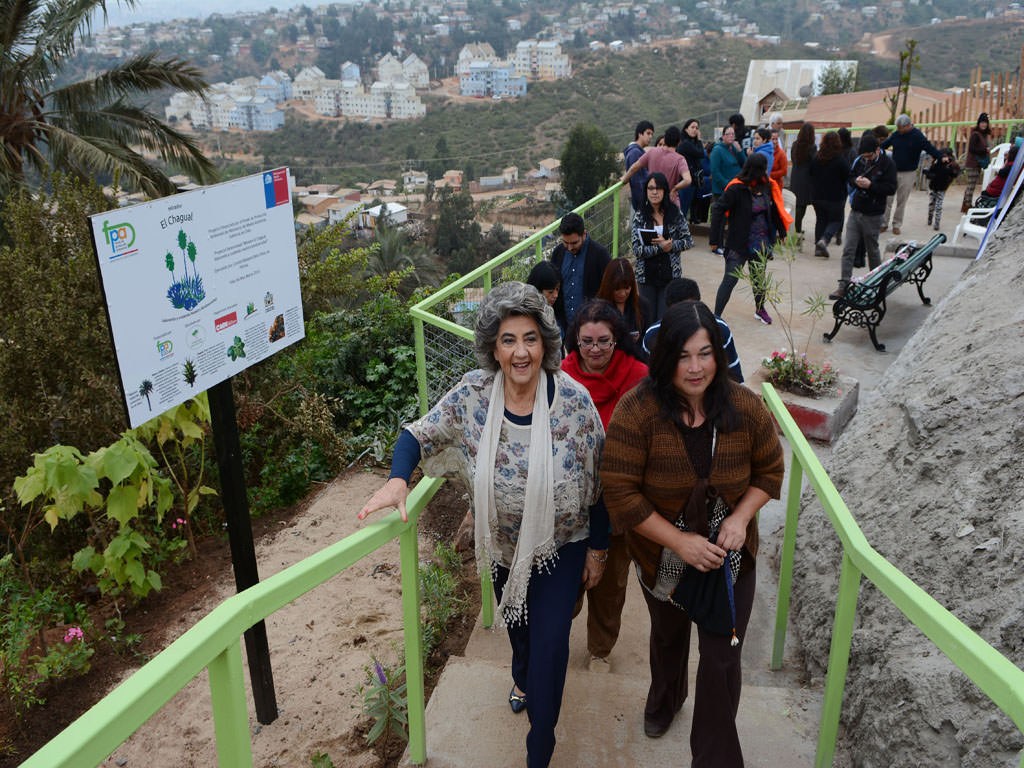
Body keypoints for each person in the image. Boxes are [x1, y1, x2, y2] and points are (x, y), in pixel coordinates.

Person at [359, 281, 605, 768]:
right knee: (520, 631)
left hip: (560, 547)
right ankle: (521, 672)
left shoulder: (574, 403)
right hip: (500, 548)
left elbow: (601, 479)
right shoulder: (472, 395)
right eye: (509, 339)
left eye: (530, 338)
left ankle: (541, 746)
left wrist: (598, 547)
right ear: (494, 346)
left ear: (545, 345)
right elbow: (418, 434)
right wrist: (396, 481)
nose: (520, 351)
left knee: (552, 644)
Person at [602, 300, 784, 763]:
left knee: (722, 659)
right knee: (668, 638)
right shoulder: (637, 410)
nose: (696, 367)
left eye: (705, 353)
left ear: (719, 356)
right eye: (683, 356)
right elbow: (620, 492)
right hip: (661, 558)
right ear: (665, 358)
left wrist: (741, 518)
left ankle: (714, 757)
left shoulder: (744, 406)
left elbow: (769, 470)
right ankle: (666, 699)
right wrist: (679, 541)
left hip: (730, 560)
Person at [560, 299, 649, 672]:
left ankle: (599, 650)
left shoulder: (640, 377)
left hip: (618, 504)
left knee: (610, 588)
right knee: (563, 588)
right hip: (568, 507)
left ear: (618, 340)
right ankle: (552, 646)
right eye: (586, 341)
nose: (595, 349)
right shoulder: (559, 378)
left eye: (604, 341)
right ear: (575, 342)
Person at [709, 153, 792, 325]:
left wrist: (782, 231)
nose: (765, 173)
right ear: (754, 169)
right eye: (762, 169)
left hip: (760, 243)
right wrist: (714, 239)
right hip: (738, 243)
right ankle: (716, 317)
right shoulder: (736, 188)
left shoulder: (767, 186)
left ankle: (760, 310)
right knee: (730, 279)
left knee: (759, 279)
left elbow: (774, 209)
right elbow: (717, 210)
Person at [829, 133, 898, 300]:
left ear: (877, 150)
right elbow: (850, 176)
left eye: (869, 156)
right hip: (856, 210)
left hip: (873, 214)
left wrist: (871, 185)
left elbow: (890, 188)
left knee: (872, 250)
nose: (867, 159)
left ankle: (877, 283)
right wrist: (856, 181)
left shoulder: (887, 164)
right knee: (848, 249)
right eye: (864, 156)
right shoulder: (860, 161)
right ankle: (843, 285)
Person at [643, 277, 744, 383]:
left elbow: (734, 372)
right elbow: (650, 378)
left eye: (705, 354)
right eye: (682, 357)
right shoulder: (653, 336)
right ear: (669, 310)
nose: (695, 369)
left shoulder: (720, 328)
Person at [630, 171, 694, 326]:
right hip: (646, 276)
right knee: (647, 320)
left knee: (664, 320)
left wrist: (671, 245)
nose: (654, 192)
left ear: (665, 190)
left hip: (670, 276)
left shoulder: (675, 213)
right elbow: (637, 250)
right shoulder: (640, 216)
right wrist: (660, 247)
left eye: (658, 188)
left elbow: (688, 241)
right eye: (650, 188)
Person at [880, 114, 949, 235]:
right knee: (887, 199)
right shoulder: (896, 134)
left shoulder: (917, 136)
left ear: (907, 126)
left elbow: (929, 147)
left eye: (900, 127)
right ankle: (884, 223)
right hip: (893, 171)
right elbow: (884, 145)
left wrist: (940, 156)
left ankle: (896, 224)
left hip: (908, 173)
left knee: (902, 200)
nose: (898, 130)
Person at [548, 212, 611, 330]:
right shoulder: (558, 253)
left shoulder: (600, 254)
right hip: (564, 326)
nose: (570, 248)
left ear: (584, 234)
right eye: (565, 243)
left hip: (593, 325)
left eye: (574, 243)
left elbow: (608, 290)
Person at [621, 124, 692, 208]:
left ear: (665, 139)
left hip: (653, 202)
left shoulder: (652, 152)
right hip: (671, 203)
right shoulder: (680, 159)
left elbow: (634, 168)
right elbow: (687, 180)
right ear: (679, 142)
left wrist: (625, 179)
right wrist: (675, 188)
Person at [810, 131, 850, 259]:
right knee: (836, 220)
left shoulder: (816, 158)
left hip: (817, 196)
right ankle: (825, 240)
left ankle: (817, 246)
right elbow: (848, 177)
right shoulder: (840, 160)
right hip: (835, 197)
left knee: (820, 220)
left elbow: (810, 174)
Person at [596, 257, 647, 343]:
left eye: (627, 288)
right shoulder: (596, 309)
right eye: (617, 289)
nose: (623, 293)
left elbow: (647, 339)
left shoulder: (642, 305)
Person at [788, 123, 816, 236]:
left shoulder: (795, 145)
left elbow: (792, 158)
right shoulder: (812, 147)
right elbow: (814, 163)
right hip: (806, 178)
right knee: (802, 205)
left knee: (796, 204)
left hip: (795, 176)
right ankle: (797, 229)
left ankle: (796, 227)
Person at [676, 119, 708, 219]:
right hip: (685, 182)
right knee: (682, 211)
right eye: (692, 127)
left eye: (697, 128)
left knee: (686, 210)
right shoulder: (686, 143)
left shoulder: (689, 142)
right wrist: (699, 140)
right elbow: (701, 153)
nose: (695, 130)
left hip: (691, 181)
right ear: (686, 129)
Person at [923, 147, 960, 231]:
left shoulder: (951, 164)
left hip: (942, 188)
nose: (945, 158)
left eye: (946, 156)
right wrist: (927, 173)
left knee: (939, 206)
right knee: (931, 204)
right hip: (934, 186)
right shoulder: (936, 163)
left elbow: (954, 174)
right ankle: (930, 219)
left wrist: (952, 170)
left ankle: (936, 224)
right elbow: (931, 172)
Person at [961, 112, 992, 213]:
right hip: (973, 164)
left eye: (985, 122)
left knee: (970, 185)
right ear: (979, 123)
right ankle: (968, 207)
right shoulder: (976, 134)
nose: (984, 124)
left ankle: (965, 205)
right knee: (971, 186)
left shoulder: (982, 134)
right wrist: (985, 150)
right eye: (982, 122)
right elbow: (972, 148)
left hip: (975, 164)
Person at [709, 124, 746, 208]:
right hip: (722, 190)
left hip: (736, 187)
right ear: (723, 136)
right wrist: (727, 185)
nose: (731, 136)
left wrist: (740, 151)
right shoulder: (717, 150)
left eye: (733, 134)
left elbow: (745, 164)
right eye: (728, 134)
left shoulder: (734, 147)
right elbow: (715, 172)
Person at [624, 120, 655, 212]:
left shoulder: (639, 151)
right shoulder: (635, 153)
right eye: (648, 133)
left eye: (652, 134)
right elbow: (636, 181)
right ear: (640, 134)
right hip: (642, 204)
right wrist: (644, 204)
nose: (650, 137)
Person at [526, 260, 563, 331]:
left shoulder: (558, 309)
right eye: (550, 292)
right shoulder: (528, 316)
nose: (556, 295)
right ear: (538, 290)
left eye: (558, 290)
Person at [768, 115, 789, 187]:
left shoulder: (782, 132)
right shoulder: (764, 132)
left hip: (777, 180)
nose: (781, 126)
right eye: (779, 123)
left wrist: (769, 175)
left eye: (782, 123)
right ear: (772, 124)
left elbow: (784, 170)